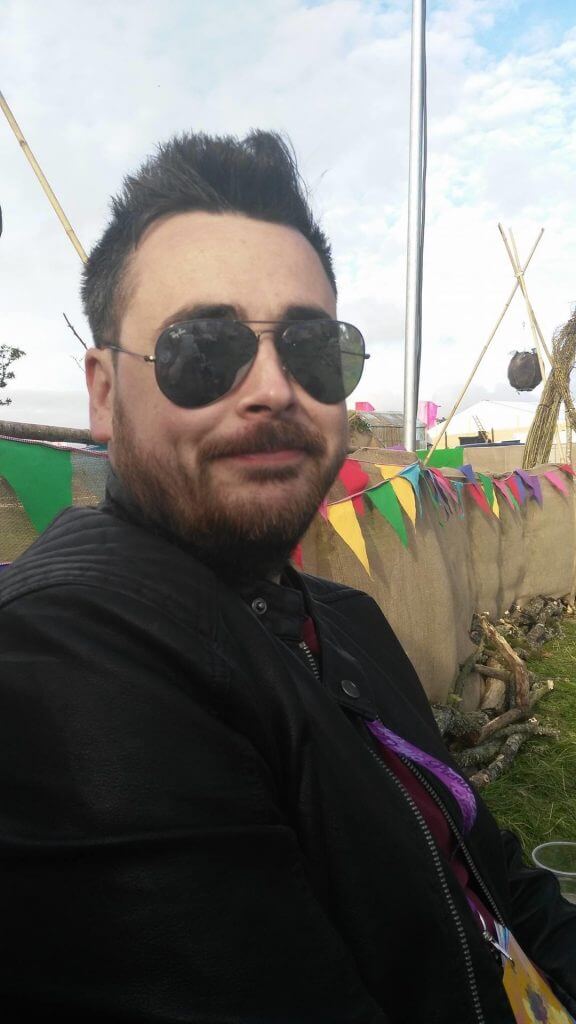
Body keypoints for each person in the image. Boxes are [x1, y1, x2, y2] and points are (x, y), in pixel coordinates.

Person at [0, 131, 574, 1024]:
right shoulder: (65, 654)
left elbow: (489, 874)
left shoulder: (341, 619)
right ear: (105, 392)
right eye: (203, 349)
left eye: (313, 349)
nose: (274, 388)